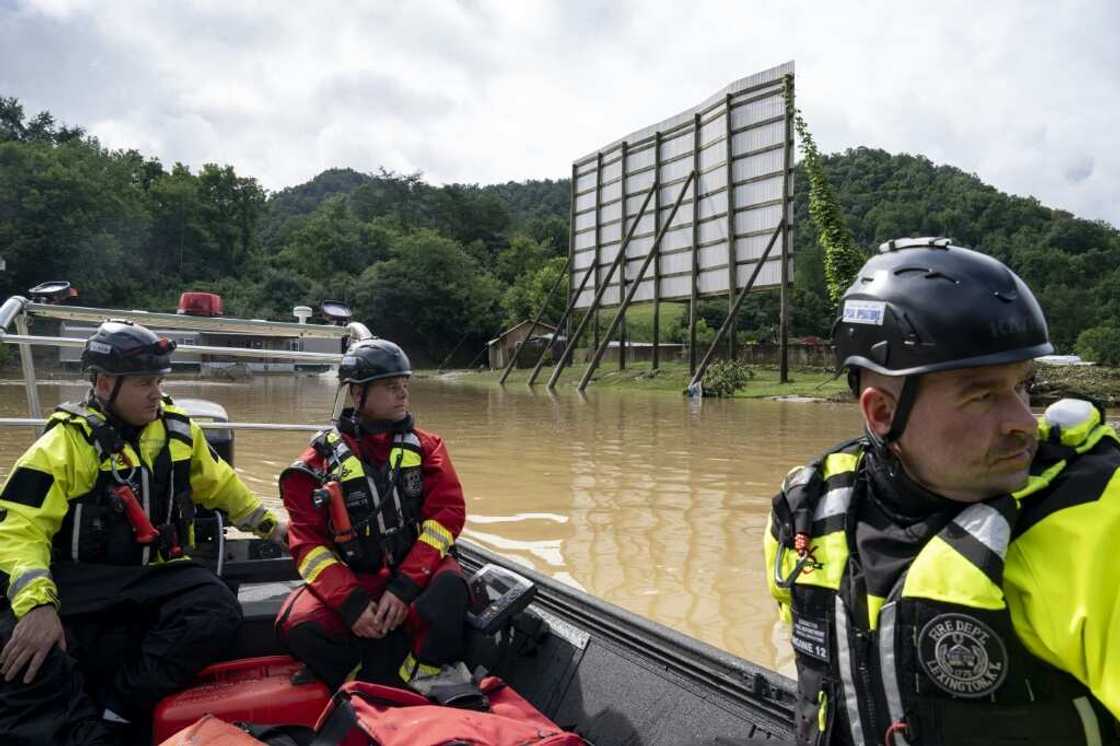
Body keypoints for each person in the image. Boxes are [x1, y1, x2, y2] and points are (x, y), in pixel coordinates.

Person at [764, 237, 1120, 746]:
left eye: (1022, 386)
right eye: (982, 395)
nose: (1024, 422)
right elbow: (792, 634)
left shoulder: (1093, 521)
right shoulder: (804, 512)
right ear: (883, 413)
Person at [0, 319, 286, 744]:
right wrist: (38, 607)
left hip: (148, 577)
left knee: (216, 607)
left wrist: (271, 527)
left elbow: (221, 485)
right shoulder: (61, 448)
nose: (156, 392)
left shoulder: (178, 432)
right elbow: (20, 528)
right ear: (103, 384)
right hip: (78, 581)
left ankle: (120, 708)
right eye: (143, 383)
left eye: (157, 380)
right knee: (23, 652)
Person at [275, 338, 469, 692]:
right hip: (355, 579)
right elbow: (308, 546)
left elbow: (447, 517)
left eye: (405, 386)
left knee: (450, 586)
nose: (402, 395)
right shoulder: (313, 467)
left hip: (414, 569)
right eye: (391, 387)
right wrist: (351, 604)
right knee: (297, 623)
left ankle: (424, 673)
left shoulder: (427, 448)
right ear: (357, 394)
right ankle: (369, 679)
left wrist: (406, 586)